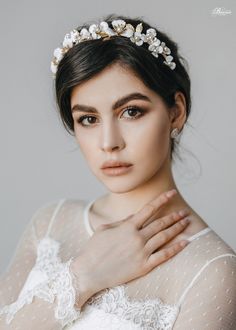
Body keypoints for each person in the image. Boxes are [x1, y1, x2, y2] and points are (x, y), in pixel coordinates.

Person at [0, 13, 235, 330]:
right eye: (88, 119)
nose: (109, 142)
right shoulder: (49, 223)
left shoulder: (214, 269)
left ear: (176, 112)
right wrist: (84, 275)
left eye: (131, 111)